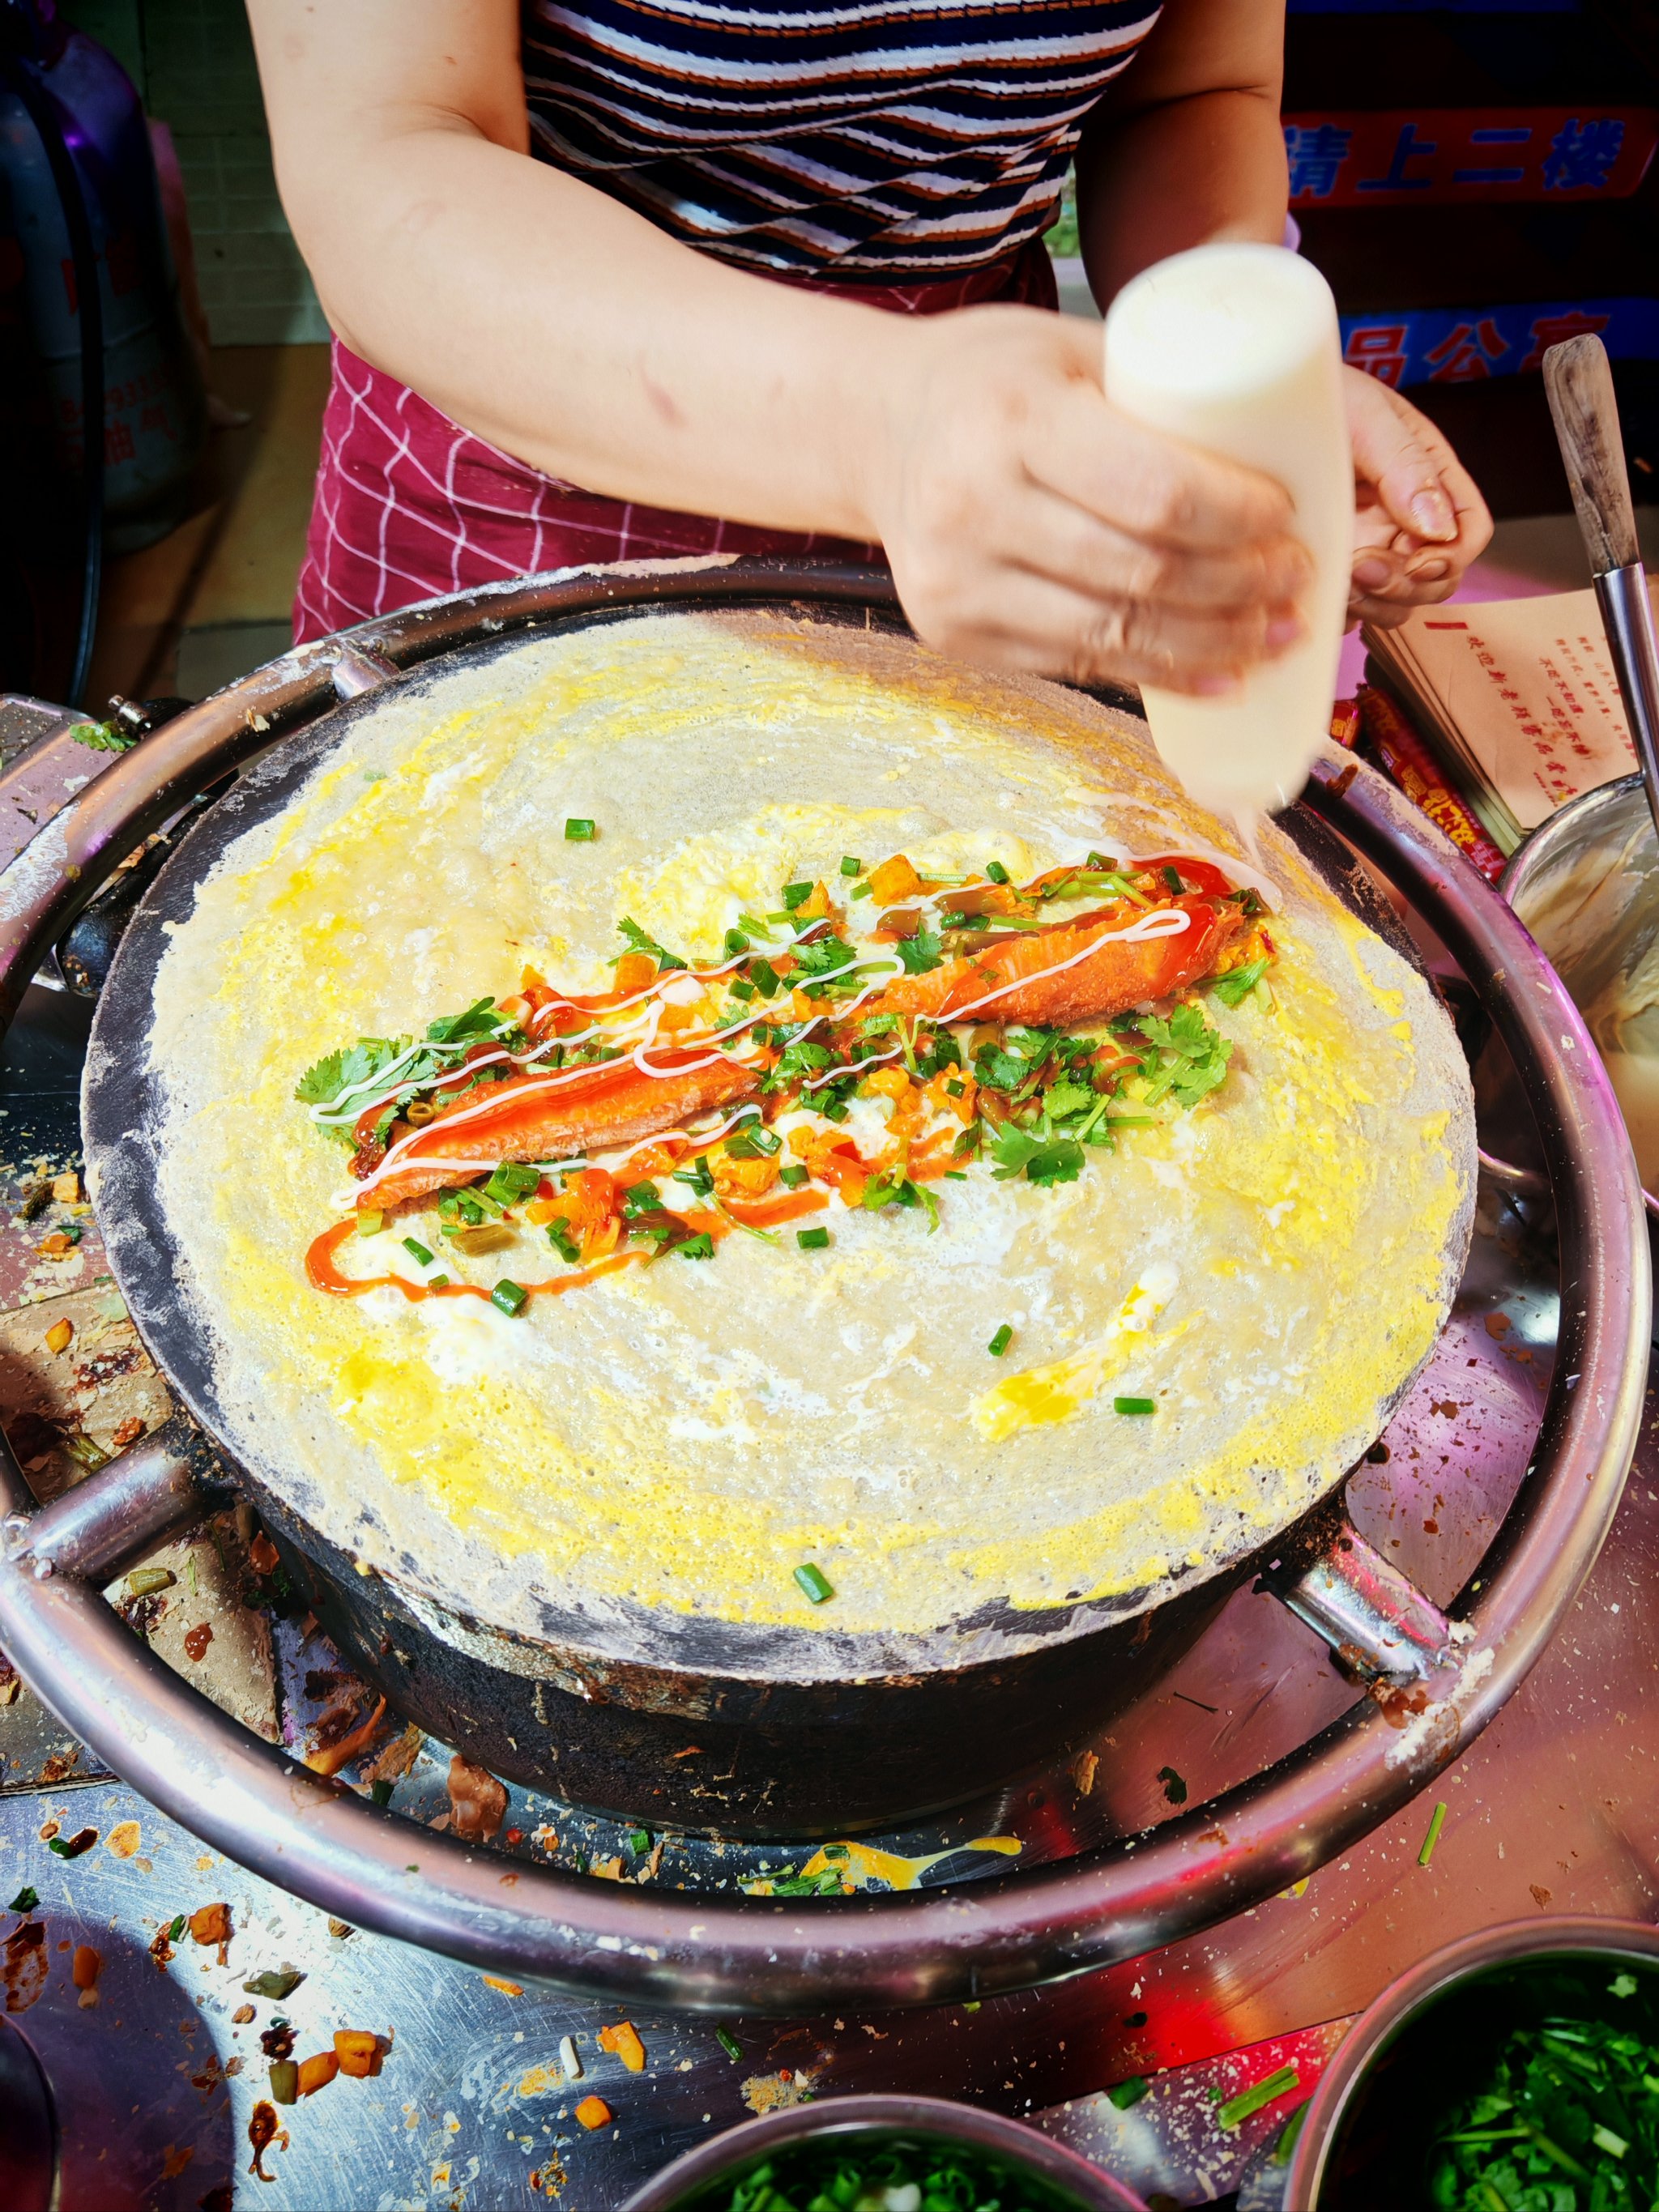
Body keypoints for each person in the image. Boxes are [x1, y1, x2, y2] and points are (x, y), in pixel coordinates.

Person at [249, 0, 1491, 692]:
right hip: (545, 419)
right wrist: (887, 424)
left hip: (989, 407)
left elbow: (1192, 94)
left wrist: (1230, 359)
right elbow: (387, 148)